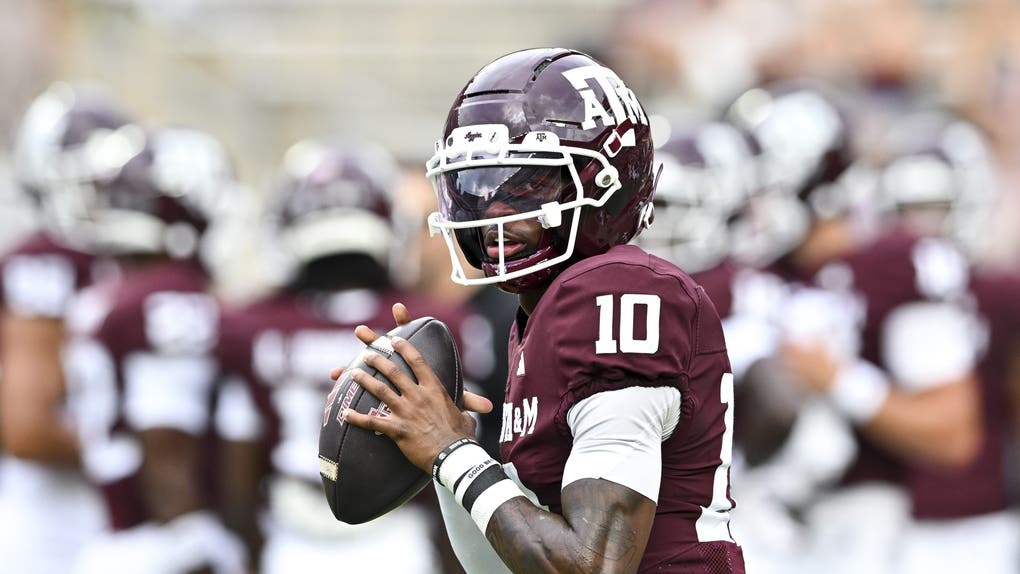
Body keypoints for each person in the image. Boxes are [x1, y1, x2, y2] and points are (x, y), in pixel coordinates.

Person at [331, 48, 745, 573]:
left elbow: (592, 565)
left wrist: (453, 453)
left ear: (605, 183)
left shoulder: (616, 291)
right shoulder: (546, 312)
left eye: (527, 184)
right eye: (477, 186)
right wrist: (444, 446)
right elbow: (504, 566)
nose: (493, 214)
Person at [214, 139, 472, 574]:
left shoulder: (251, 324)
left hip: (290, 537)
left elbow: (236, 464)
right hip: (396, 537)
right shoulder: (427, 320)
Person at [63, 125, 247, 574]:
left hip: (119, 541)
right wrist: (193, 547)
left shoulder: (110, 295)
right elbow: (166, 447)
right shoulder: (170, 300)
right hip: (167, 546)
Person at [0, 82, 130, 573]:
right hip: (50, 519)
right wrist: (144, 453)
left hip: (104, 508)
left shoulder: (126, 262)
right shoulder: (44, 262)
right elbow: (30, 429)